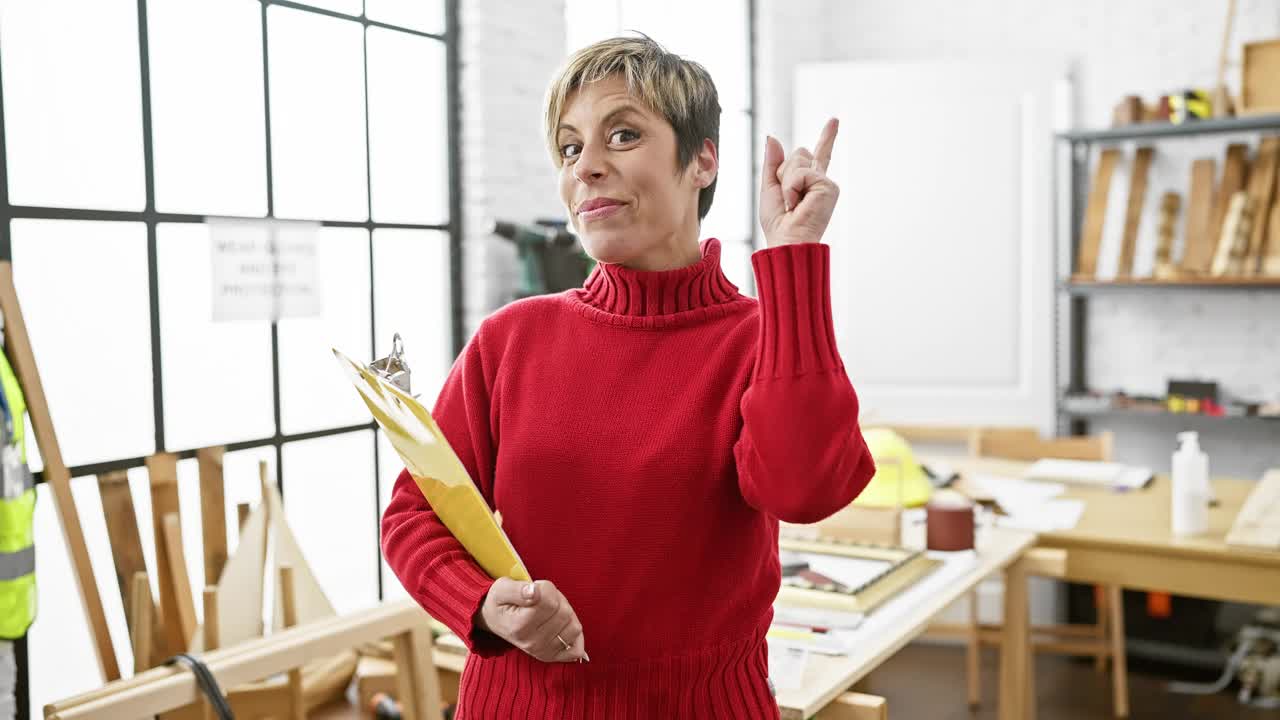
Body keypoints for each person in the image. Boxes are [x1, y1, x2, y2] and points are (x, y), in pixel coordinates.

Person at [381, 34, 875, 718]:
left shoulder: (762, 337)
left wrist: (791, 260)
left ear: (701, 159)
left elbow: (807, 490)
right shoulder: (510, 340)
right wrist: (484, 604)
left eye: (622, 134)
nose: (586, 168)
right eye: (570, 147)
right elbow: (414, 514)